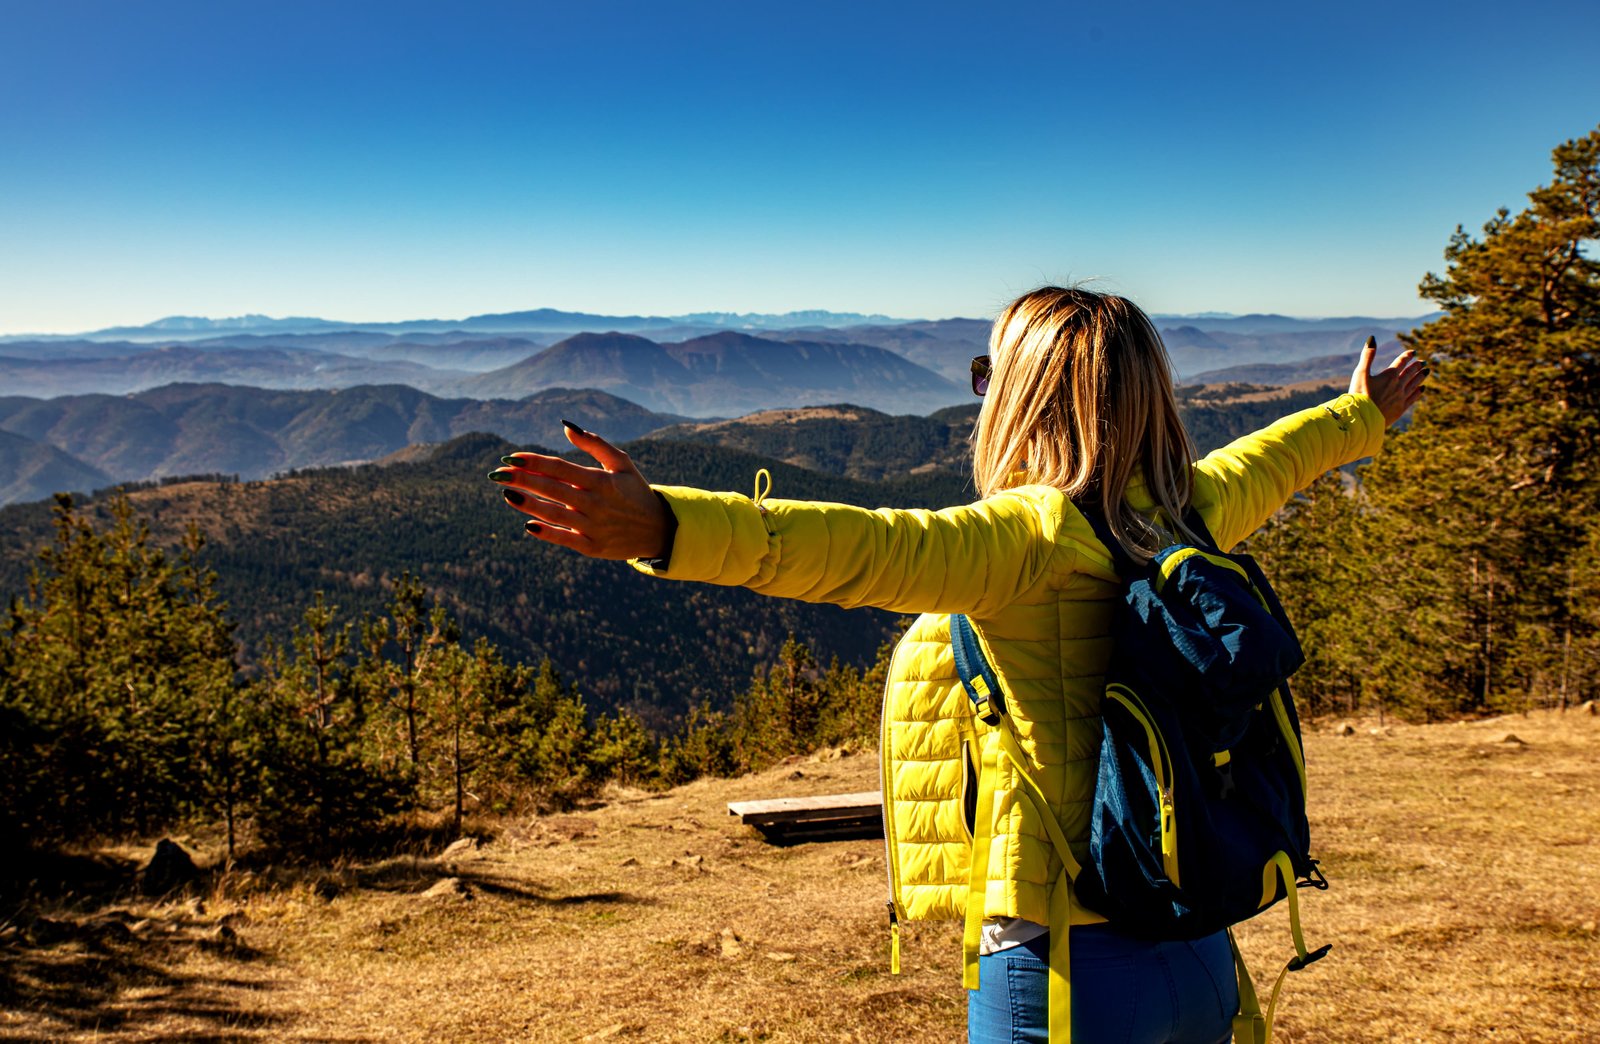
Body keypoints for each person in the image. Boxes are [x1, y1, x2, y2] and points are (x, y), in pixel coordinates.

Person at [487, 286, 1427, 1043]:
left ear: (1020, 400)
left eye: (991, 376)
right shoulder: (1189, 513)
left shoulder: (1025, 538)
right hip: (1200, 947)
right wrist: (1358, 416)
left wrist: (668, 526)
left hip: (1066, 957)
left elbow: (855, 548)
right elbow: (1277, 457)